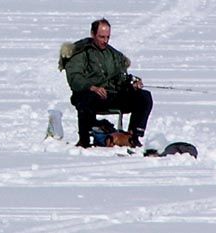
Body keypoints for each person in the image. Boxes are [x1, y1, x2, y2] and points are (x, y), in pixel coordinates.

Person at [60, 18, 153, 148]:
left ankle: (132, 136)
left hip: (112, 95)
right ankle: (84, 139)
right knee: (87, 98)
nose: (105, 41)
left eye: (107, 37)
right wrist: (91, 87)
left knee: (144, 97)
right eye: (101, 37)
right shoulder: (80, 53)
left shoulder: (113, 55)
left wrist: (132, 83)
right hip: (90, 96)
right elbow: (74, 78)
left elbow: (120, 78)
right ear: (93, 34)